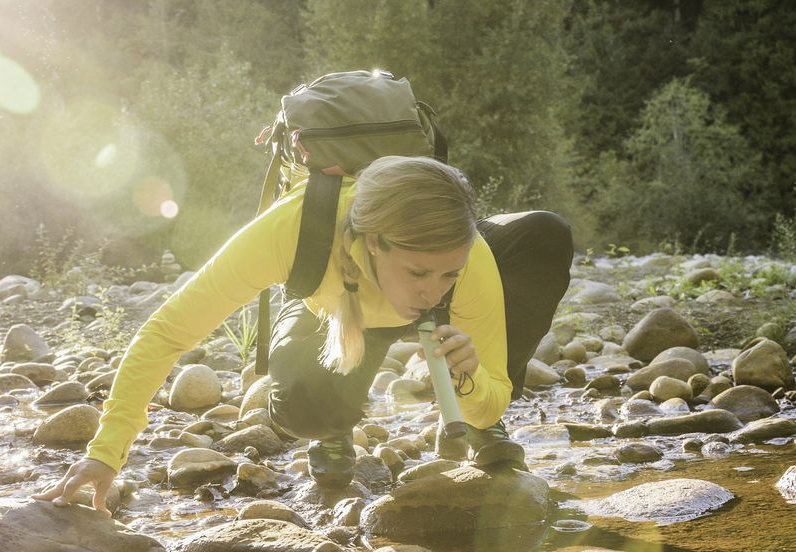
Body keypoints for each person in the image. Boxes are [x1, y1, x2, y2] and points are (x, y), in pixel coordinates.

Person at [32, 155, 572, 509]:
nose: (435, 290)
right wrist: (107, 450)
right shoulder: (290, 230)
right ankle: (335, 419)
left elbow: (491, 396)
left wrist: (470, 379)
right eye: (419, 272)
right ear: (374, 242)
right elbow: (167, 332)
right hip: (333, 310)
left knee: (544, 234)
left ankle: (471, 433)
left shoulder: (467, 259)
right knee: (308, 413)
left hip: (415, 307)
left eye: (447, 275)